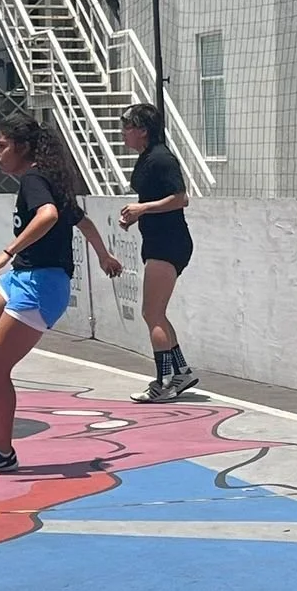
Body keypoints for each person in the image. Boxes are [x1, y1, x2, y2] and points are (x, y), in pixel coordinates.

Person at [0, 113, 122, 473]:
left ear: (21, 147)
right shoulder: (46, 179)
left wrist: (7, 251)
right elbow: (80, 220)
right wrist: (103, 254)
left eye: (2, 146)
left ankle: (2, 452)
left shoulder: (35, 179)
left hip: (41, 285)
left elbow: (48, 216)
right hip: (25, 277)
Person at [118, 103, 198, 403]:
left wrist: (143, 208)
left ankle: (163, 382)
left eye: (128, 127)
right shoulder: (146, 158)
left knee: (151, 313)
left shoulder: (162, 158)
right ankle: (182, 371)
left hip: (169, 242)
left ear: (143, 130)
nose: (124, 133)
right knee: (156, 313)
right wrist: (136, 215)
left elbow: (181, 198)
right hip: (156, 240)